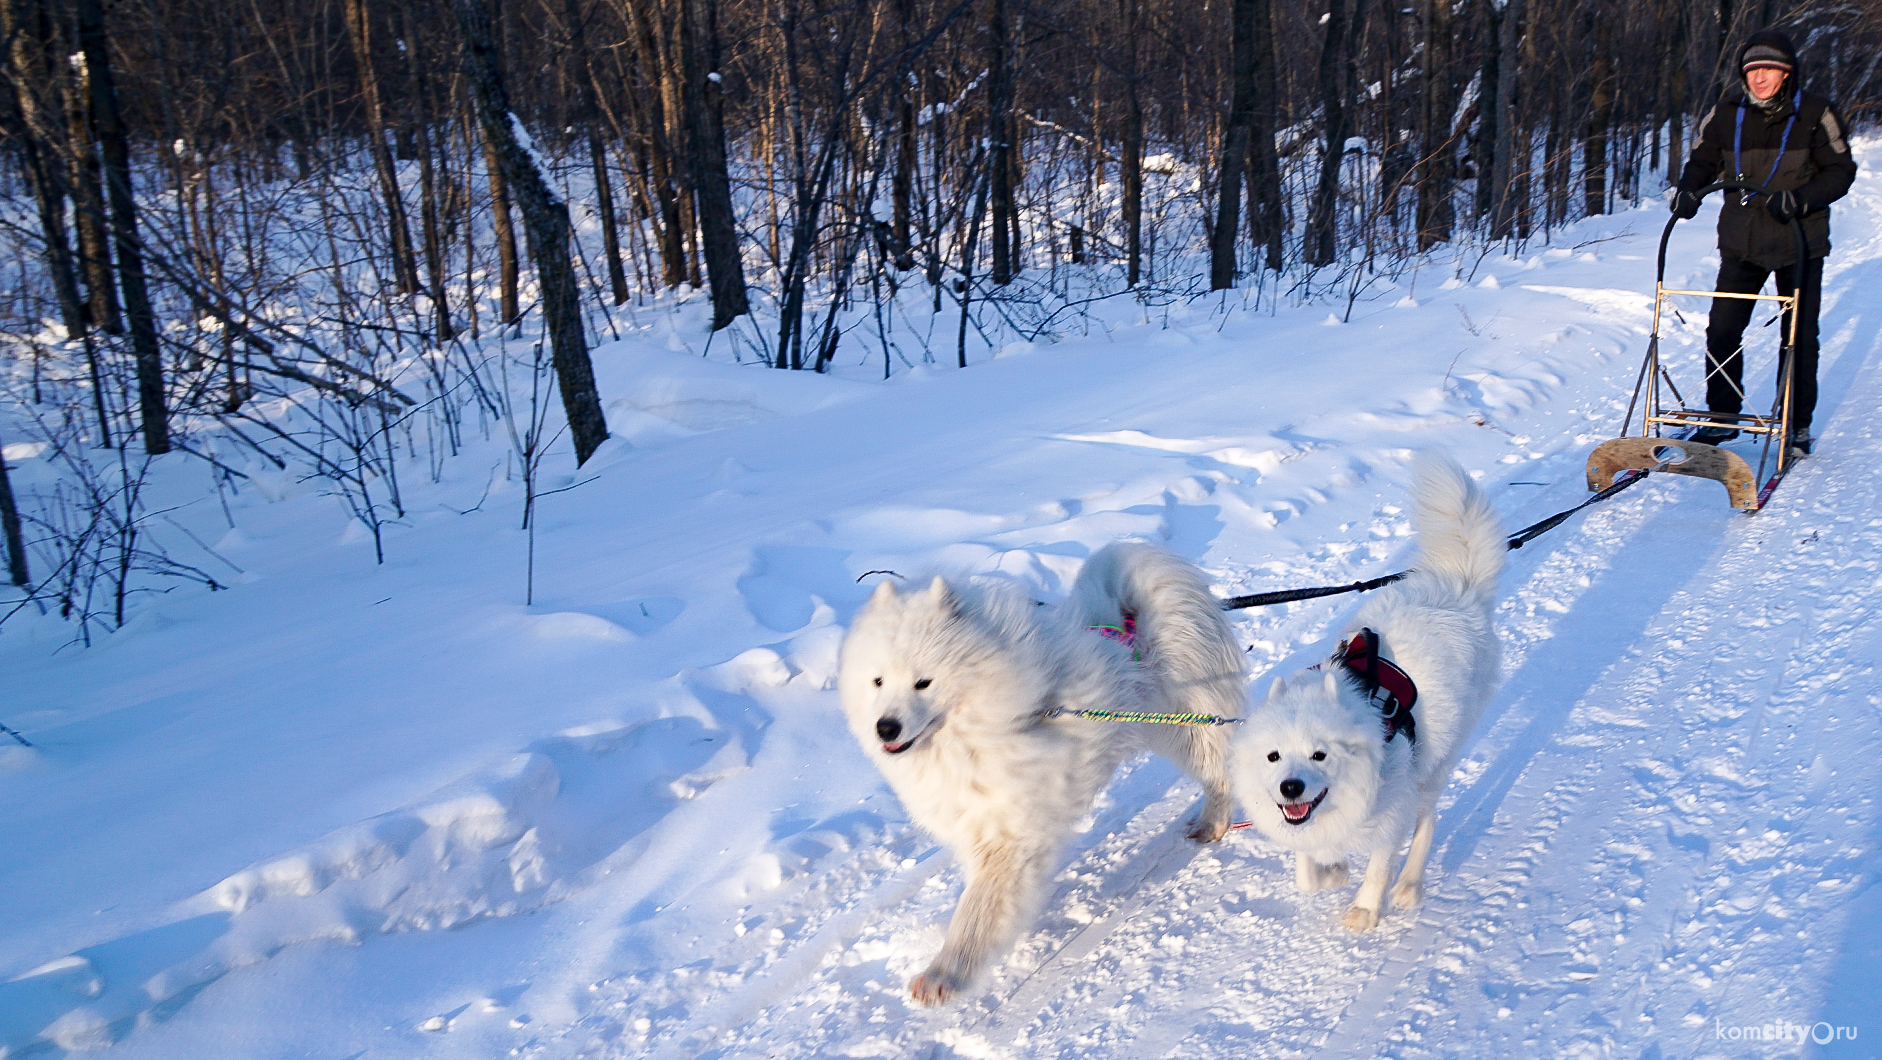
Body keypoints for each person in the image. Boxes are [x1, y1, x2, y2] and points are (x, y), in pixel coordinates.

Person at [1671, 30, 1856, 454]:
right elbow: (1701, 159)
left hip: (1799, 241)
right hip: (1742, 241)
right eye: (1753, 70)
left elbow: (1841, 171)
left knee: (1798, 337)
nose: (1760, 79)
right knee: (1722, 329)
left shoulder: (1815, 112)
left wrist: (1800, 199)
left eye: (1769, 70)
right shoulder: (1726, 113)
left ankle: (1796, 426)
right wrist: (1688, 190)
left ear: (1787, 73)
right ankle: (1722, 417)